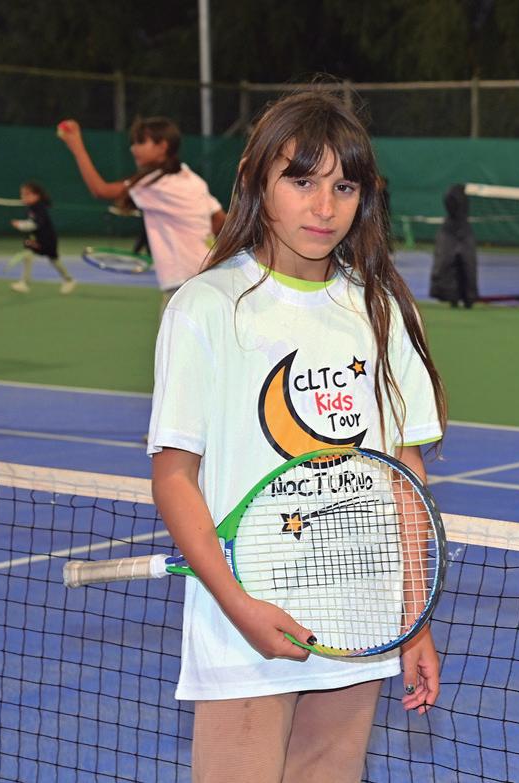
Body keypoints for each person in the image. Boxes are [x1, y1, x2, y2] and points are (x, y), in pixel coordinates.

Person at [146, 90, 446, 781]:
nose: (324, 206)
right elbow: (173, 476)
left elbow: (404, 477)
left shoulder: (381, 310)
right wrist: (239, 606)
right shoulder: (206, 307)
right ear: (257, 180)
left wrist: (414, 618)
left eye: (344, 186)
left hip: (360, 622)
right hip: (246, 624)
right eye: (301, 181)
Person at [57, 116, 225, 309]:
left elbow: (100, 190)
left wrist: (76, 145)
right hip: (209, 277)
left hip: (183, 286)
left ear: (162, 146)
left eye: (141, 142)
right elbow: (220, 220)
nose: (133, 148)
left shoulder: (155, 184)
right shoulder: (191, 178)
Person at [9, 181, 76, 294]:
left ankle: (69, 280)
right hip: (38, 239)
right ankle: (25, 283)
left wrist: (19, 225)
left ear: (36, 196)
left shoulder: (39, 208)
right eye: (22, 194)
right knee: (28, 254)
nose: (23, 197)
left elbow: (35, 224)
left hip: (47, 240)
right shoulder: (31, 208)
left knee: (53, 260)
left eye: (27, 194)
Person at [429, 183, 479, 308]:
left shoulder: (455, 228)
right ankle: (458, 297)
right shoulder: (453, 228)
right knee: (455, 265)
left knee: (464, 265)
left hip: (458, 232)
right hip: (456, 232)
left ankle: (463, 297)